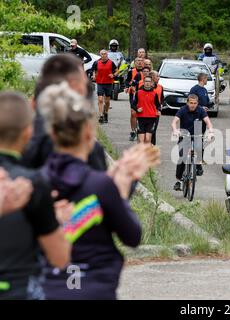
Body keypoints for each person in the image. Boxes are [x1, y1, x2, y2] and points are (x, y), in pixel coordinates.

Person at [37, 82, 159, 300]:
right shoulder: (101, 185)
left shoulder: (32, 183)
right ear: (88, 134)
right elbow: (132, 235)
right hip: (94, 287)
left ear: (52, 133)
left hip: (46, 287)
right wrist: (122, 187)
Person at [0, 92, 70, 300]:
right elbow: (59, 257)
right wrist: (57, 224)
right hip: (19, 289)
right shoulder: (32, 184)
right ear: (28, 133)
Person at [22, 54, 108, 172]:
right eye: (86, 88)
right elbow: (99, 187)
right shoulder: (89, 150)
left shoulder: (16, 142)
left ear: (32, 102)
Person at [171, 94, 214, 191]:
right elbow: (174, 122)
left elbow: (208, 122)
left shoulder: (200, 110)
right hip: (184, 136)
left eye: (195, 103)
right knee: (182, 157)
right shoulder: (182, 110)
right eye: (191, 103)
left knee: (198, 149)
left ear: (197, 103)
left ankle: (197, 167)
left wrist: (211, 131)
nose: (193, 105)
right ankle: (178, 179)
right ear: (187, 102)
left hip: (196, 136)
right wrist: (175, 130)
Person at [92, 49, 118, 124]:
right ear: (100, 54)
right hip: (100, 83)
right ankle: (100, 115)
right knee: (100, 99)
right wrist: (94, 75)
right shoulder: (96, 62)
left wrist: (113, 75)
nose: (103, 55)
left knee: (107, 101)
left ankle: (106, 112)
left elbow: (117, 71)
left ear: (107, 54)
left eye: (105, 54)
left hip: (108, 83)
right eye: (102, 54)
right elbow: (93, 70)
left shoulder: (111, 63)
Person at [132, 77, 160, 144]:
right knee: (141, 140)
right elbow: (133, 104)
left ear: (151, 83)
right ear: (143, 83)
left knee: (147, 139)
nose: (147, 83)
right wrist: (137, 109)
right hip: (141, 118)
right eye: (146, 81)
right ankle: (141, 153)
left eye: (149, 81)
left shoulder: (154, 94)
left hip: (151, 118)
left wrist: (159, 110)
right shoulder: (138, 93)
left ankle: (147, 153)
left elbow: (158, 105)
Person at [126, 58, 144, 141]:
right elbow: (127, 81)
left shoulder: (146, 72)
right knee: (133, 113)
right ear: (135, 63)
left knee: (141, 113)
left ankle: (141, 130)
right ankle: (133, 131)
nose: (140, 63)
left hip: (144, 95)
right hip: (133, 94)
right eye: (138, 61)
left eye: (141, 61)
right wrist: (128, 86)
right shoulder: (131, 71)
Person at [150, 71, 164, 145]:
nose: (159, 78)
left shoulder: (160, 87)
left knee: (154, 130)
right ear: (152, 77)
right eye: (157, 76)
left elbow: (162, 98)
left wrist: (161, 105)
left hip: (156, 112)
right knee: (147, 131)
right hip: (147, 111)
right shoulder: (145, 86)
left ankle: (152, 145)